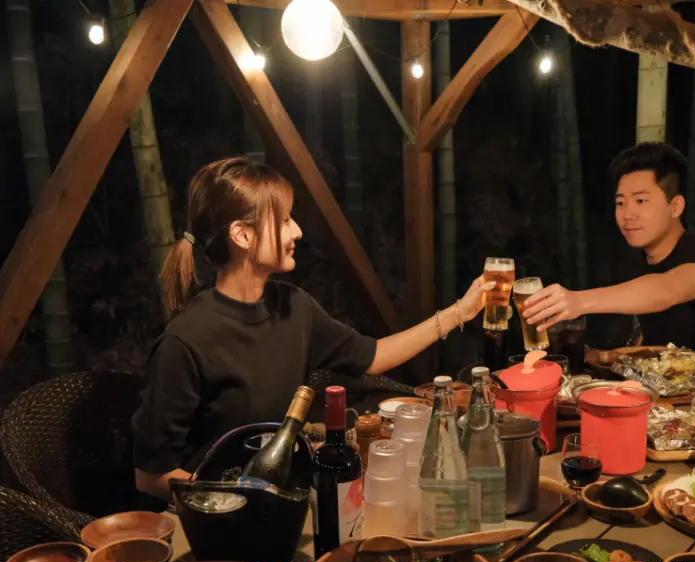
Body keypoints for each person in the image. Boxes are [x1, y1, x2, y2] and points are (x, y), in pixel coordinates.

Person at [132, 156, 494, 501]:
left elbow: (373, 356)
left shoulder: (293, 307)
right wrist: (236, 501)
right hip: (215, 524)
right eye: (284, 220)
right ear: (242, 235)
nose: (298, 231)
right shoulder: (186, 340)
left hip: (287, 504)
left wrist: (459, 312)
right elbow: (150, 477)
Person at [521, 142, 695, 364]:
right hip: (665, 384)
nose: (628, 214)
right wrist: (605, 357)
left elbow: (667, 290)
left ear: (676, 207)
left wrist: (578, 301)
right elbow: (653, 340)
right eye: (621, 203)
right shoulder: (636, 256)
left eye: (641, 201)